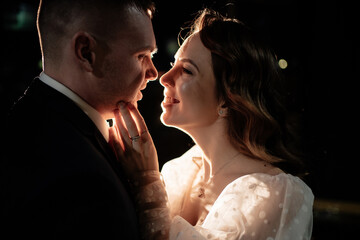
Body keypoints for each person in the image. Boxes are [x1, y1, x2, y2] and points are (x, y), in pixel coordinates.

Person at [109, 8, 314, 240]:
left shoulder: (277, 195)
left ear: (227, 99)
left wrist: (146, 181)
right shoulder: (178, 172)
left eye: (186, 70)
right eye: (173, 63)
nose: (164, 78)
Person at [0, 0, 158, 239]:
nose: (153, 73)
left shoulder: (29, 124)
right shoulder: (78, 179)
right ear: (86, 53)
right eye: (142, 55)